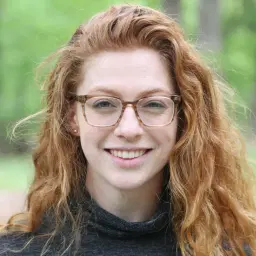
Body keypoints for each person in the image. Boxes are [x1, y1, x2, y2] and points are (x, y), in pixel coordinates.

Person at [0, 3, 255, 256]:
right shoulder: (17, 249)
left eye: (154, 104)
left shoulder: (234, 249)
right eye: (104, 104)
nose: (129, 129)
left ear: (183, 117)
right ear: (72, 117)